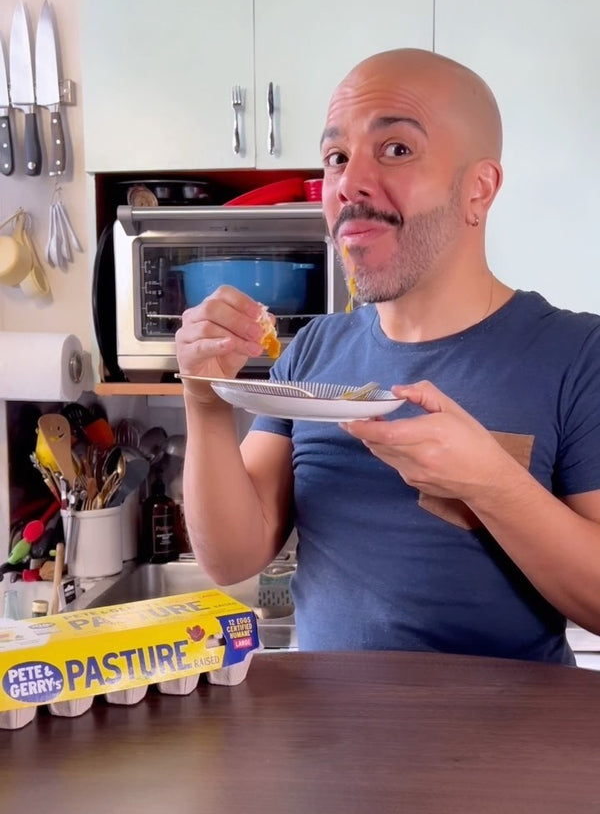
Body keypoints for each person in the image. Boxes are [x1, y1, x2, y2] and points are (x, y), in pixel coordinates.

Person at [175, 48, 600, 664]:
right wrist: (205, 399)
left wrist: (490, 483)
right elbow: (232, 557)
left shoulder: (577, 355)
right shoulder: (313, 351)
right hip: (325, 724)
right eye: (336, 158)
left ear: (479, 189)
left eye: (396, 149)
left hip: (505, 728)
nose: (348, 183)